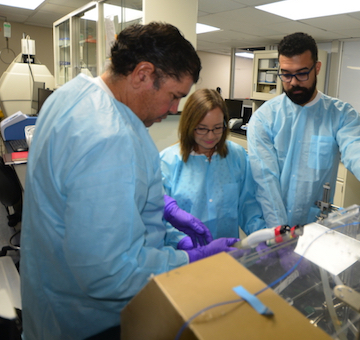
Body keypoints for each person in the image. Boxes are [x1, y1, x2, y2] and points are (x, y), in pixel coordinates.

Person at [20, 23, 238, 340]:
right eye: (174, 96)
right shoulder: (110, 135)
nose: (175, 109)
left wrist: (163, 210)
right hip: (88, 321)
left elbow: (82, 194)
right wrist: (189, 258)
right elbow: (112, 272)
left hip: (51, 298)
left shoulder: (71, 95)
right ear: (142, 74)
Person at [247, 32, 360, 227]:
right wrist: (279, 233)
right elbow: (266, 183)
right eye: (286, 75)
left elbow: (358, 150)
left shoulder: (340, 114)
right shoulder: (264, 119)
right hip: (270, 228)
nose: (294, 82)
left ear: (317, 68)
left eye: (302, 73)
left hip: (314, 226)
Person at [160, 89, 265, 239]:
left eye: (217, 128)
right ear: (189, 125)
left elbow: (248, 207)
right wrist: (180, 241)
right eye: (202, 128)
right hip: (186, 256)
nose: (210, 136)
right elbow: (160, 218)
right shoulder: (167, 162)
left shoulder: (237, 156)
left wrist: (262, 236)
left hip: (227, 251)